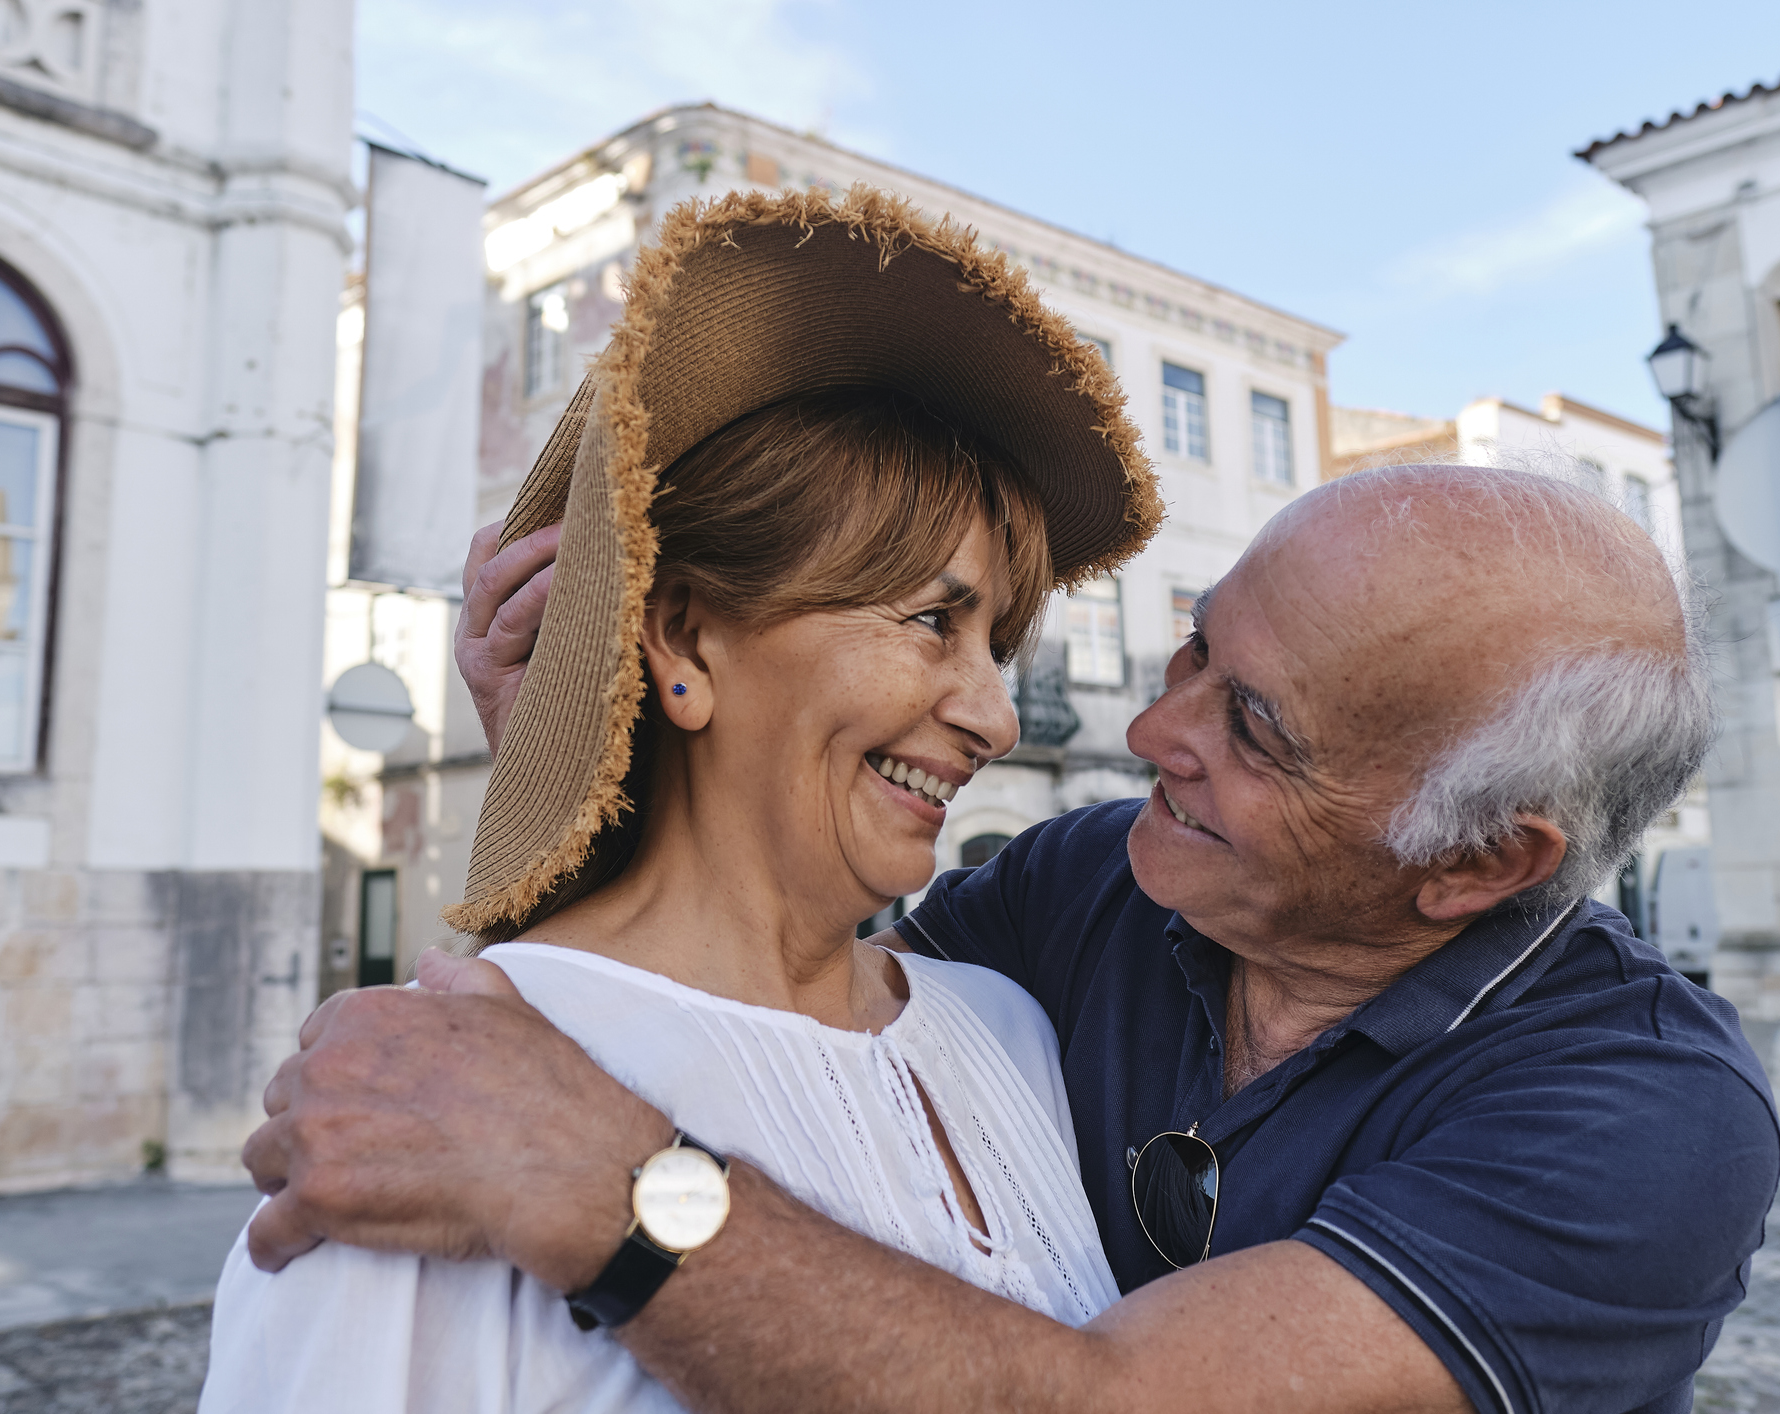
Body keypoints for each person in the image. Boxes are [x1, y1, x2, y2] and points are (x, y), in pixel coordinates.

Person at [244, 441, 1780, 1408]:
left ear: (1471, 864)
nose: (1143, 729)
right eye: (1190, 649)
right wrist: (610, 778)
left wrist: (603, 1179)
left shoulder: (1643, 1116)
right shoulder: (1091, 889)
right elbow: (769, 1001)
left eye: (1248, 723)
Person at [202, 186, 1163, 1411]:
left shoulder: (1007, 1031)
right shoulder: (420, 1108)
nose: (996, 716)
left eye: (996, 644)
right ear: (687, 640)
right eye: (932, 620)